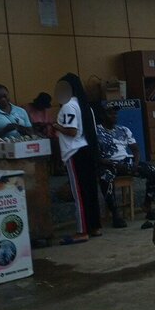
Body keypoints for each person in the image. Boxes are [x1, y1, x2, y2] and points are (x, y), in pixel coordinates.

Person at [53, 73, 102, 244]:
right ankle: (94, 226)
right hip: (87, 150)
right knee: (90, 191)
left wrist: (56, 126)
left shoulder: (68, 106)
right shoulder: (85, 106)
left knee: (79, 194)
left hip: (75, 153)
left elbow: (72, 131)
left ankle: (82, 231)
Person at [96, 103, 155, 228]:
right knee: (105, 178)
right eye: (110, 113)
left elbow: (135, 150)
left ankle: (147, 205)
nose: (114, 116)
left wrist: (135, 163)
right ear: (102, 115)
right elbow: (93, 154)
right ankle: (115, 214)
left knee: (153, 171)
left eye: (115, 113)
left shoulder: (124, 130)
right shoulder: (96, 131)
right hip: (108, 163)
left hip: (125, 161)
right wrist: (109, 162)